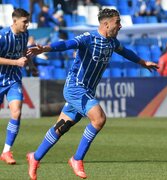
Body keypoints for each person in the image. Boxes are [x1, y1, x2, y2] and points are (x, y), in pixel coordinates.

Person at [26, 8, 159, 180]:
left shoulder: (112, 42)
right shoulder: (89, 38)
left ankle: (34, 157)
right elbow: (67, 44)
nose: (120, 25)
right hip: (75, 87)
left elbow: (125, 51)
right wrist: (46, 48)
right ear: (106, 24)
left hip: (87, 90)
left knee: (61, 127)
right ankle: (77, 159)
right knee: (99, 119)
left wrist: (142, 62)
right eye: (117, 22)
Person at [0, 8, 37, 165]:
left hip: (14, 79)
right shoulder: (2, 36)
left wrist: (32, 65)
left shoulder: (25, 35)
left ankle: (6, 151)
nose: (27, 24)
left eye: (27, 21)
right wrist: (16, 62)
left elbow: (23, 53)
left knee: (16, 112)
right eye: (24, 22)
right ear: (15, 21)